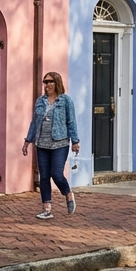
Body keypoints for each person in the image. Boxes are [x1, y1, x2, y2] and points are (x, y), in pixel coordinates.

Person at [21, 70, 79, 219]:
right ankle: (46, 208)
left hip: (60, 143)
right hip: (42, 143)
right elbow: (34, 122)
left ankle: (67, 193)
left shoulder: (65, 101)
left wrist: (75, 141)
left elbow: (71, 122)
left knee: (56, 174)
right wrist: (28, 140)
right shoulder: (40, 101)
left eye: (50, 81)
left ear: (57, 83)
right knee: (44, 176)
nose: (47, 84)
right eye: (45, 82)